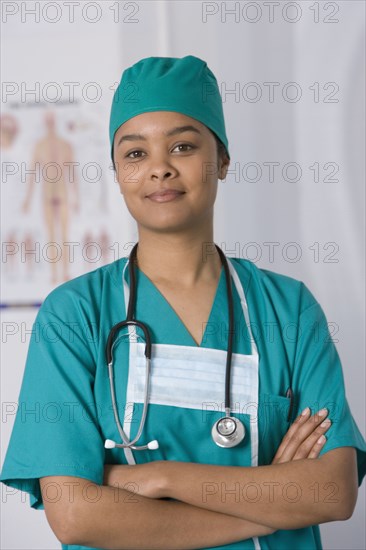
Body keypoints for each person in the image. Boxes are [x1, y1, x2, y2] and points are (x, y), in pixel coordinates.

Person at [0, 55, 365, 550]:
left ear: (223, 160)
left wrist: (163, 478)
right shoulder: (74, 315)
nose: (159, 169)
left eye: (183, 145)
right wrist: (271, 507)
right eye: (134, 154)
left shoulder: (289, 309)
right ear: (117, 171)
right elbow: (76, 516)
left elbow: (332, 490)